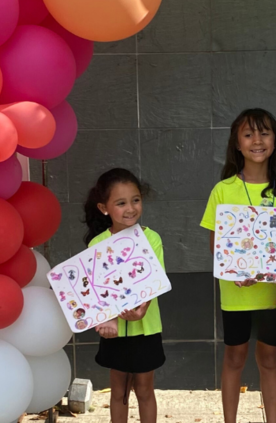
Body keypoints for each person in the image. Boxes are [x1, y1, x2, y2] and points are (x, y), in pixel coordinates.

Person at [201, 108, 276, 423]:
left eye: (264, 133)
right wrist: (235, 269)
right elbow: (215, 244)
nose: (257, 141)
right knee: (234, 357)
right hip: (236, 294)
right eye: (248, 134)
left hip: (271, 296)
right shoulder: (224, 190)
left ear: (275, 140)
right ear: (237, 143)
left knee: (270, 358)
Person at [84, 168, 165, 423]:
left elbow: (155, 280)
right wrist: (104, 320)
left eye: (136, 200)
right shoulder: (96, 244)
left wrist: (141, 310)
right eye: (121, 203)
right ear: (104, 207)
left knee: (144, 390)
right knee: (118, 391)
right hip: (114, 331)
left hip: (146, 328)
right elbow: (94, 291)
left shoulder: (152, 238)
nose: (130, 208)